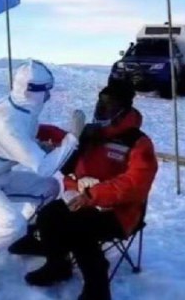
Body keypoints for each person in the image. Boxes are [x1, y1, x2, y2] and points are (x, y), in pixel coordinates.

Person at [12, 80, 158, 300]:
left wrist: (93, 194)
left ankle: (97, 288)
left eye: (109, 106)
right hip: (83, 199)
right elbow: (72, 170)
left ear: (123, 109)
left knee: (79, 228)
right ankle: (58, 265)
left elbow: (136, 185)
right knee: (49, 215)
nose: (101, 110)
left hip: (120, 213)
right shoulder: (92, 133)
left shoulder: (138, 143)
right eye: (100, 104)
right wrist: (66, 164)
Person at [0, 60, 80, 291]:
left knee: (49, 188)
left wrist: (44, 143)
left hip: (0, 176)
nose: (49, 96)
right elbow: (43, 166)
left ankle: (24, 237)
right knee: (10, 223)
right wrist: (72, 139)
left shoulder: (20, 106)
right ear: (33, 91)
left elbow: (28, 141)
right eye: (46, 90)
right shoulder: (7, 123)